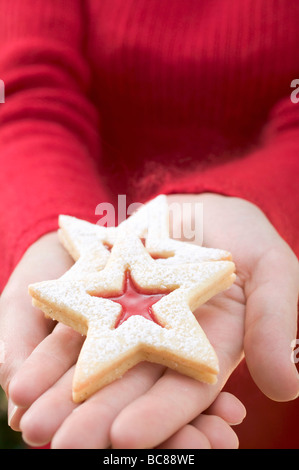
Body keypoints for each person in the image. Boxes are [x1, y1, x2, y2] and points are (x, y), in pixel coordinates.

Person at [0, 0, 298, 449]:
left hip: (266, 282)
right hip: (79, 209)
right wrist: (45, 219)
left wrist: (246, 200)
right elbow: (24, 92)